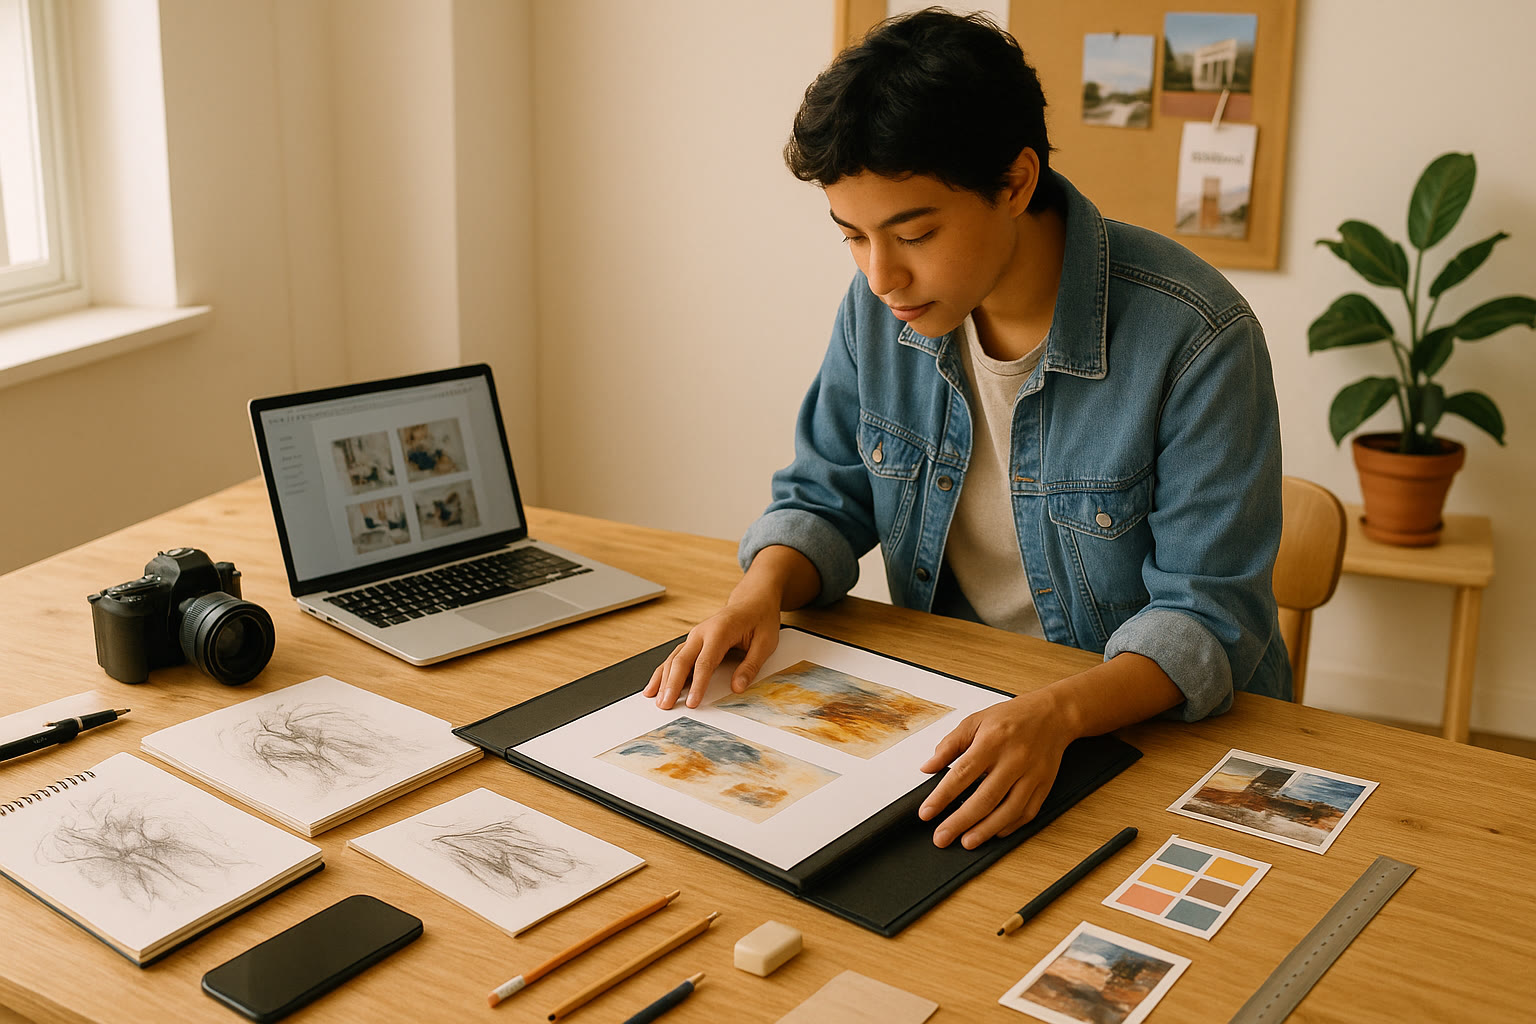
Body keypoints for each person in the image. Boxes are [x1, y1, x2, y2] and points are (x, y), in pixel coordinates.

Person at [645, 9, 1289, 851]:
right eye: (853, 238)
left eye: (914, 233)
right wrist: (757, 593)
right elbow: (826, 495)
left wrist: (1054, 713)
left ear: (1016, 183)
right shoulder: (883, 311)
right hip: (957, 711)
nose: (882, 275)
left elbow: (1208, 618)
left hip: (1154, 734)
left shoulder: (1197, 336)